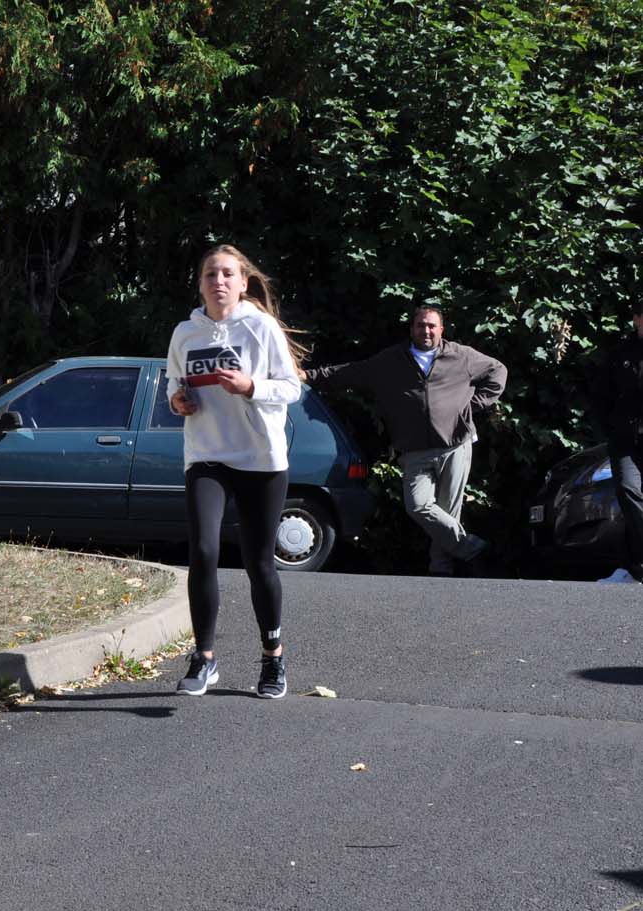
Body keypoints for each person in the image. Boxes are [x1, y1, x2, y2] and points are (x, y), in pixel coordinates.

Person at [166, 244, 305, 699]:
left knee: (258, 562)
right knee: (203, 550)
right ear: (201, 283)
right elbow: (173, 384)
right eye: (211, 274)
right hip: (206, 454)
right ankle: (204, 658)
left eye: (227, 274)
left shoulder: (260, 328)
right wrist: (177, 401)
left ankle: (273, 658)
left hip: (260, 458)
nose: (219, 281)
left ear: (243, 283)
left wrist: (251, 386)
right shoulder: (186, 333)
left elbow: (291, 388)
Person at [308, 306, 507, 576]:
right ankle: (472, 548)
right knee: (418, 505)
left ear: (441, 330)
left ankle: (440, 569)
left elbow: (498, 370)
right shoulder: (391, 361)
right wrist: (310, 376)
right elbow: (352, 372)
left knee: (448, 509)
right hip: (414, 448)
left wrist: (474, 406)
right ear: (411, 329)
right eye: (420, 326)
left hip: (455, 444)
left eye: (432, 326)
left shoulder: (461, 356)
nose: (426, 331)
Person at [592, 299, 643, 584]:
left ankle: (636, 565)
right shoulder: (619, 354)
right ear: (636, 319)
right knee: (628, 490)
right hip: (625, 439)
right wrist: (609, 430)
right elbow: (601, 396)